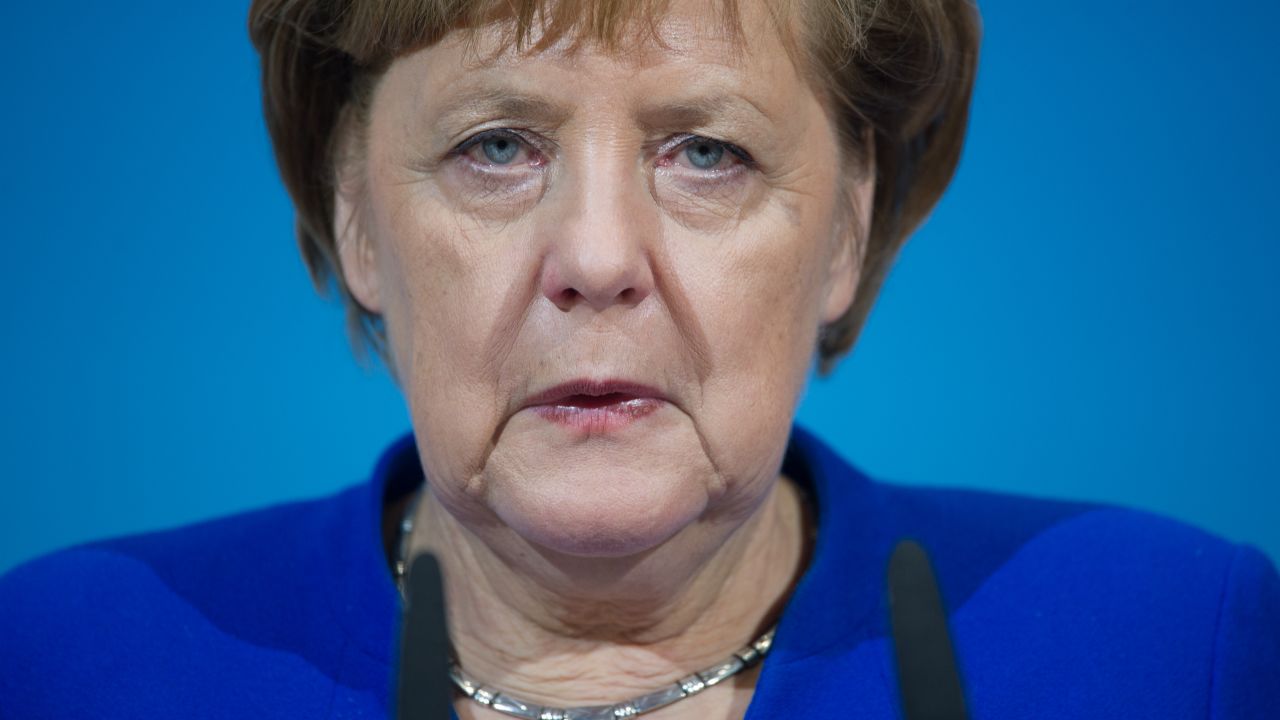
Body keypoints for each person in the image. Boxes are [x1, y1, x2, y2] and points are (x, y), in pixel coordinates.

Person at [2, 0, 1277, 717]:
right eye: (496, 147)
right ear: (355, 219)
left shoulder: (1167, 648)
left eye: (705, 152)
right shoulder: (66, 663)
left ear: (842, 226)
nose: (598, 255)